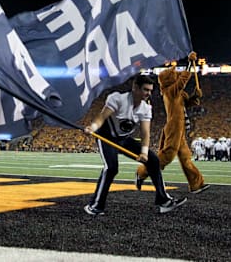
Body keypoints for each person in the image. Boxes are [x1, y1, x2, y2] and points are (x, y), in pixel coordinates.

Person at [83, 74, 187, 215]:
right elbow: (102, 117)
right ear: (135, 88)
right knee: (111, 168)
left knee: (153, 160)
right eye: (145, 90)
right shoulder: (117, 98)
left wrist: (144, 152)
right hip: (105, 137)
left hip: (123, 139)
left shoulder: (146, 108)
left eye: (150, 91)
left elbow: (145, 133)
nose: (148, 94)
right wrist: (92, 128)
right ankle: (95, 206)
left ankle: (164, 201)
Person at [135, 52, 209, 194]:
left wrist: (195, 96)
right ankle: (142, 172)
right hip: (174, 127)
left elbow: (186, 104)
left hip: (179, 128)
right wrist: (189, 64)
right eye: (174, 74)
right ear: (169, 80)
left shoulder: (178, 94)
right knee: (166, 157)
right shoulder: (169, 92)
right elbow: (182, 82)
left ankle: (196, 184)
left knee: (186, 158)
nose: (176, 75)